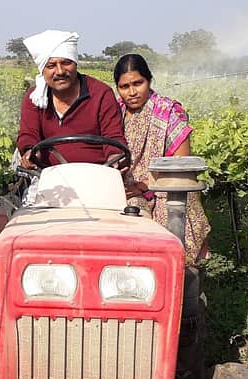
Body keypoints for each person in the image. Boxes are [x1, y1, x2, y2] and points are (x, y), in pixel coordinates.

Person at [114, 53, 210, 266]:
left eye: (138, 83)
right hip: (128, 190)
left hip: (167, 187)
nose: (132, 92)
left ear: (149, 80)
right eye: (124, 86)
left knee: (172, 237)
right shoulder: (114, 113)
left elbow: (180, 166)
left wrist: (145, 185)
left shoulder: (168, 112)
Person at [17, 30, 127, 169]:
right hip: (50, 176)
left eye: (66, 63)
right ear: (42, 70)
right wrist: (30, 152)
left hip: (97, 173)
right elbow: (28, 134)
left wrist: (114, 158)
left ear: (75, 63)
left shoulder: (101, 93)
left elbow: (113, 136)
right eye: (51, 66)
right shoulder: (34, 98)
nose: (60, 71)